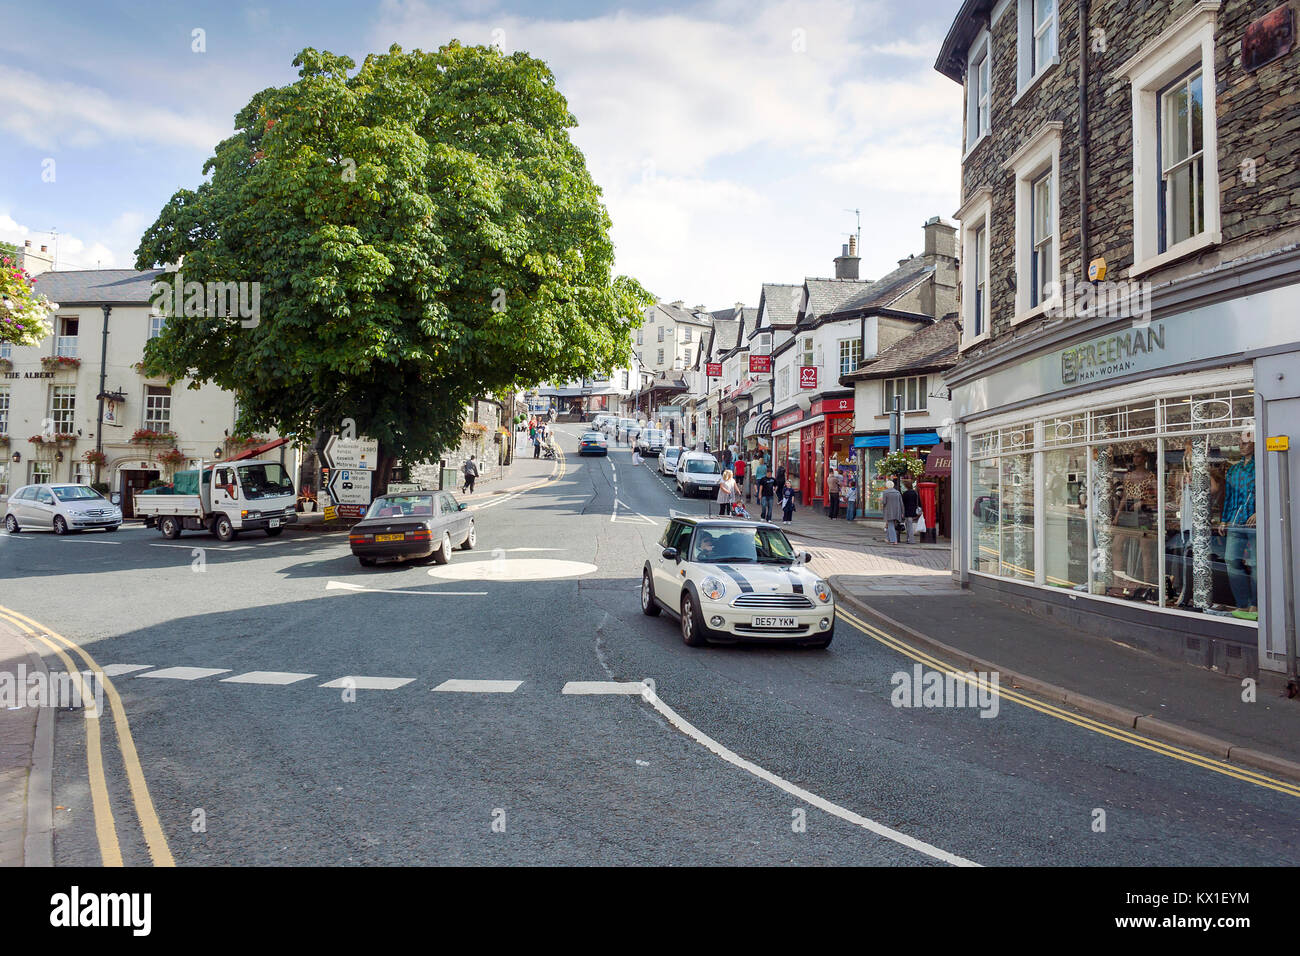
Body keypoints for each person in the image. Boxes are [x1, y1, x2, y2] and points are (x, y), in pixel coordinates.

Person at [1221, 431, 1258, 611]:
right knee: (1230, 560)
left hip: (1255, 523)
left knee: (1256, 563)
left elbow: (1269, 490)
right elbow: (1228, 496)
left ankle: (1257, 604)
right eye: (1240, 443)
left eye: (1246, 443)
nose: (1242, 446)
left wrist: (1260, 511)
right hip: (1235, 520)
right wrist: (1223, 520)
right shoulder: (1233, 470)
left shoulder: (1261, 466)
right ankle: (1243, 603)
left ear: (1254, 444)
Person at [882, 479, 905, 544]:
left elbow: (884, 502)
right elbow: (901, 503)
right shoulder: (897, 492)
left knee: (890, 525)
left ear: (887, 486)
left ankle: (894, 540)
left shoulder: (885, 492)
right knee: (891, 525)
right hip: (897, 512)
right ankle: (887, 538)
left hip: (889, 511)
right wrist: (903, 512)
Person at [901, 478, 920, 543]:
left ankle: (911, 540)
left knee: (909, 526)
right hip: (913, 511)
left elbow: (902, 503)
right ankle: (908, 539)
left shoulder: (905, 493)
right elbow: (918, 502)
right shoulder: (915, 493)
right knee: (909, 525)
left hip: (907, 511)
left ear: (906, 486)